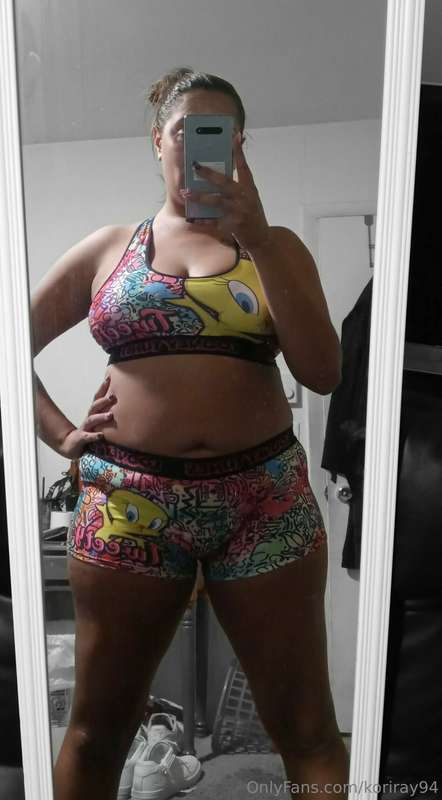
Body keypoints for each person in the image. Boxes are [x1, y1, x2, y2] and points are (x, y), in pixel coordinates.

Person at [31, 67, 348, 800]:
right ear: (158, 141)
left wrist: (258, 238)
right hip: (127, 503)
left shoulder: (277, 248)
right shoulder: (110, 247)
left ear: (239, 146)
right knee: (97, 732)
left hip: (265, 501)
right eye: (186, 130)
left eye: (222, 132)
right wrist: (60, 435)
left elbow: (324, 372)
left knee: (306, 730)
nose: (202, 146)